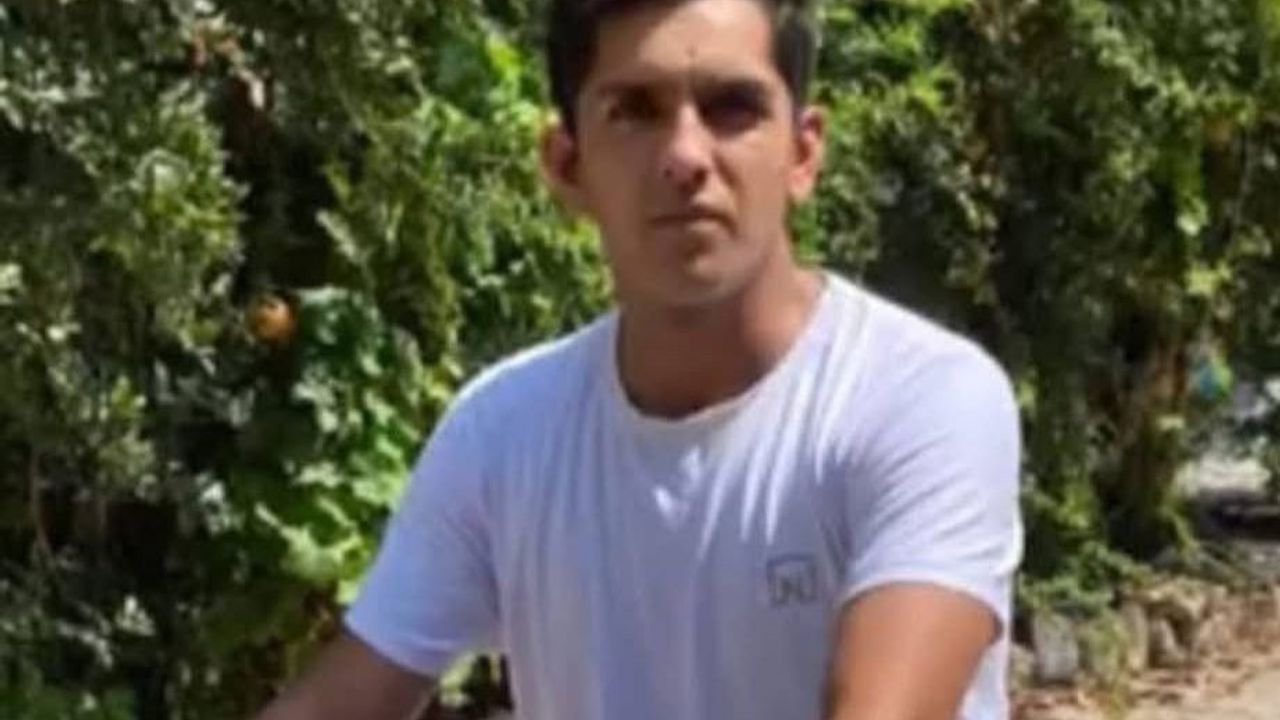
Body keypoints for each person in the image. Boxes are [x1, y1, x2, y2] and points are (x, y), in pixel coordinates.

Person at [252, 0, 1023, 718]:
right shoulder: (502, 433)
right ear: (567, 166)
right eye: (635, 111)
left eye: (732, 107)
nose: (686, 156)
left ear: (802, 153)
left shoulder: (919, 400)